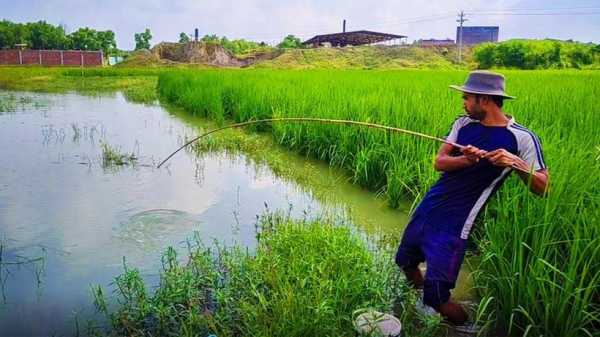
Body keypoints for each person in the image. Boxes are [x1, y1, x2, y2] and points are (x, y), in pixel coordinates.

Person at [395, 71, 549, 324]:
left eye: (467, 98)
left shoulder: (522, 137)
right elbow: (440, 162)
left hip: (456, 223)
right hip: (429, 207)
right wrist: (466, 159)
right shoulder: (463, 124)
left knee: (439, 297)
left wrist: (516, 162)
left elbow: (543, 188)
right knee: (406, 262)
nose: (463, 102)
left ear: (485, 100)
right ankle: (423, 307)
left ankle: (465, 327)